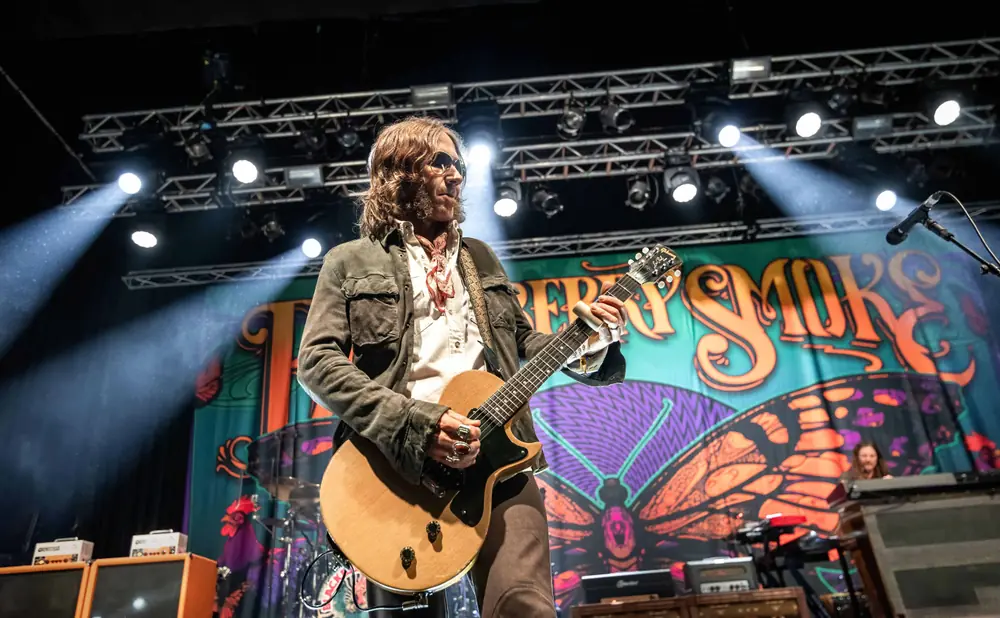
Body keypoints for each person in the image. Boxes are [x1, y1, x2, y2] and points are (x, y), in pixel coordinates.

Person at [297, 116, 628, 618]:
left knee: (526, 608)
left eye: (459, 167)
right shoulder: (349, 260)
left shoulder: (481, 258)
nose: (456, 177)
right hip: (393, 469)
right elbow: (317, 363)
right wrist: (417, 424)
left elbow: (520, 344)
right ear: (400, 169)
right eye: (441, 163)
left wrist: (590, 345)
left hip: (501, 461)